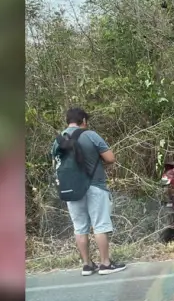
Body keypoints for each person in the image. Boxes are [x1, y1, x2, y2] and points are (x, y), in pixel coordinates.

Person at [51, 107, 126, 275]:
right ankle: (105, 264)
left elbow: (56, 163)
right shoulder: (90, 135)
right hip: (94, 186)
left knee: (79, 227)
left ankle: (86, 265)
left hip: (70, 188)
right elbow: (110, 158)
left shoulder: (58, 140)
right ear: (83, 121)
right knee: (99, 225)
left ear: (67, 121)